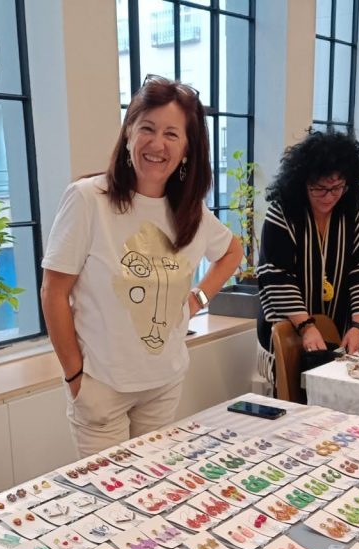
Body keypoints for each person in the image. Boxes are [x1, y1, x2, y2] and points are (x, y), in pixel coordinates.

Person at [40, 76, 242, 457]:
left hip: (163, 383)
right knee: (108, 493)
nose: (157, 144)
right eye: (147, 128)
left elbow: (232, 252)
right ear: (129, 132)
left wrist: (196, 300)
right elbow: (53, 292)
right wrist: (75, 376)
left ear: (187, 149)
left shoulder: (192, 212)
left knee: (158, 488)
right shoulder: (89, 200)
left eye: (172, 134)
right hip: (102, 387)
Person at [256, 129, 359, 381]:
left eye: (337, 188)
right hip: (288, 326)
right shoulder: (283, 212)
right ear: (303, 181)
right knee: (291, 392)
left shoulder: (358, 210)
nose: (329, 196)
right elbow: (277, 277)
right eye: (319, 188)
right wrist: (306, 326)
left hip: (338, 324)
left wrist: (358, 326)